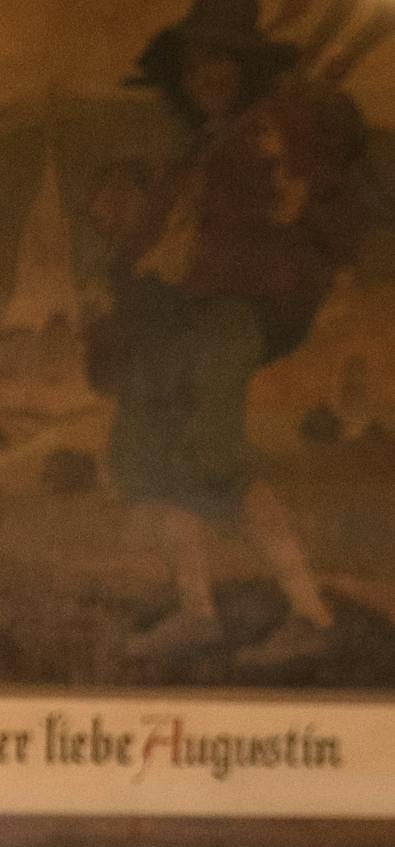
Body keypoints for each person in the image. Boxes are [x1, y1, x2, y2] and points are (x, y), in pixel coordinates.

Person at [89, 0, 370, 671]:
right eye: (192, 66)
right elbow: (147, 241)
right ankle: (196, 612)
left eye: (217, 61)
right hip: (170, 318)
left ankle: (311, 614)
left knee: (210, 453)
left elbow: (316, 181)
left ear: (243, 68)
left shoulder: (274, 131)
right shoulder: (197, 149)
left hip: (229, 315)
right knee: (144, 453)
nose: (203, 76)